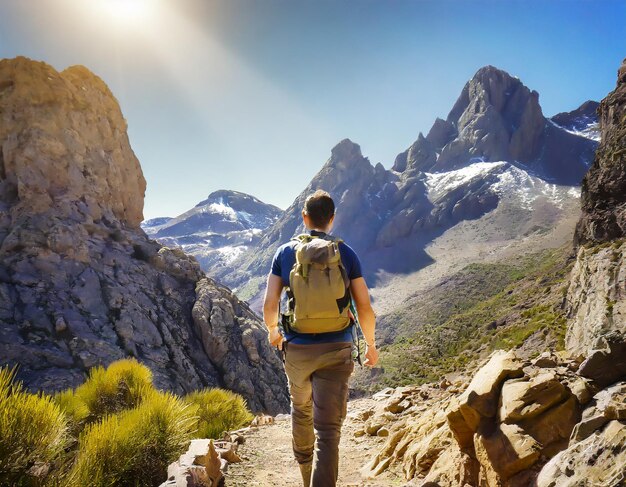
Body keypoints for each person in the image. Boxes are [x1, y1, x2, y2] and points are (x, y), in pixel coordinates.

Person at [263, 189, 378, 487]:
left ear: (304, 218)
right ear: (332, 218)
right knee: (328, 433)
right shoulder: (346, 254)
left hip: (297, 350)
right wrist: (371, 346)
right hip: (337, 349)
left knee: (300, 410)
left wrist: (274, 332)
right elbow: (364, 307)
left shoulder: (284, 253)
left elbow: (270, 303)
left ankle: (305, 477)